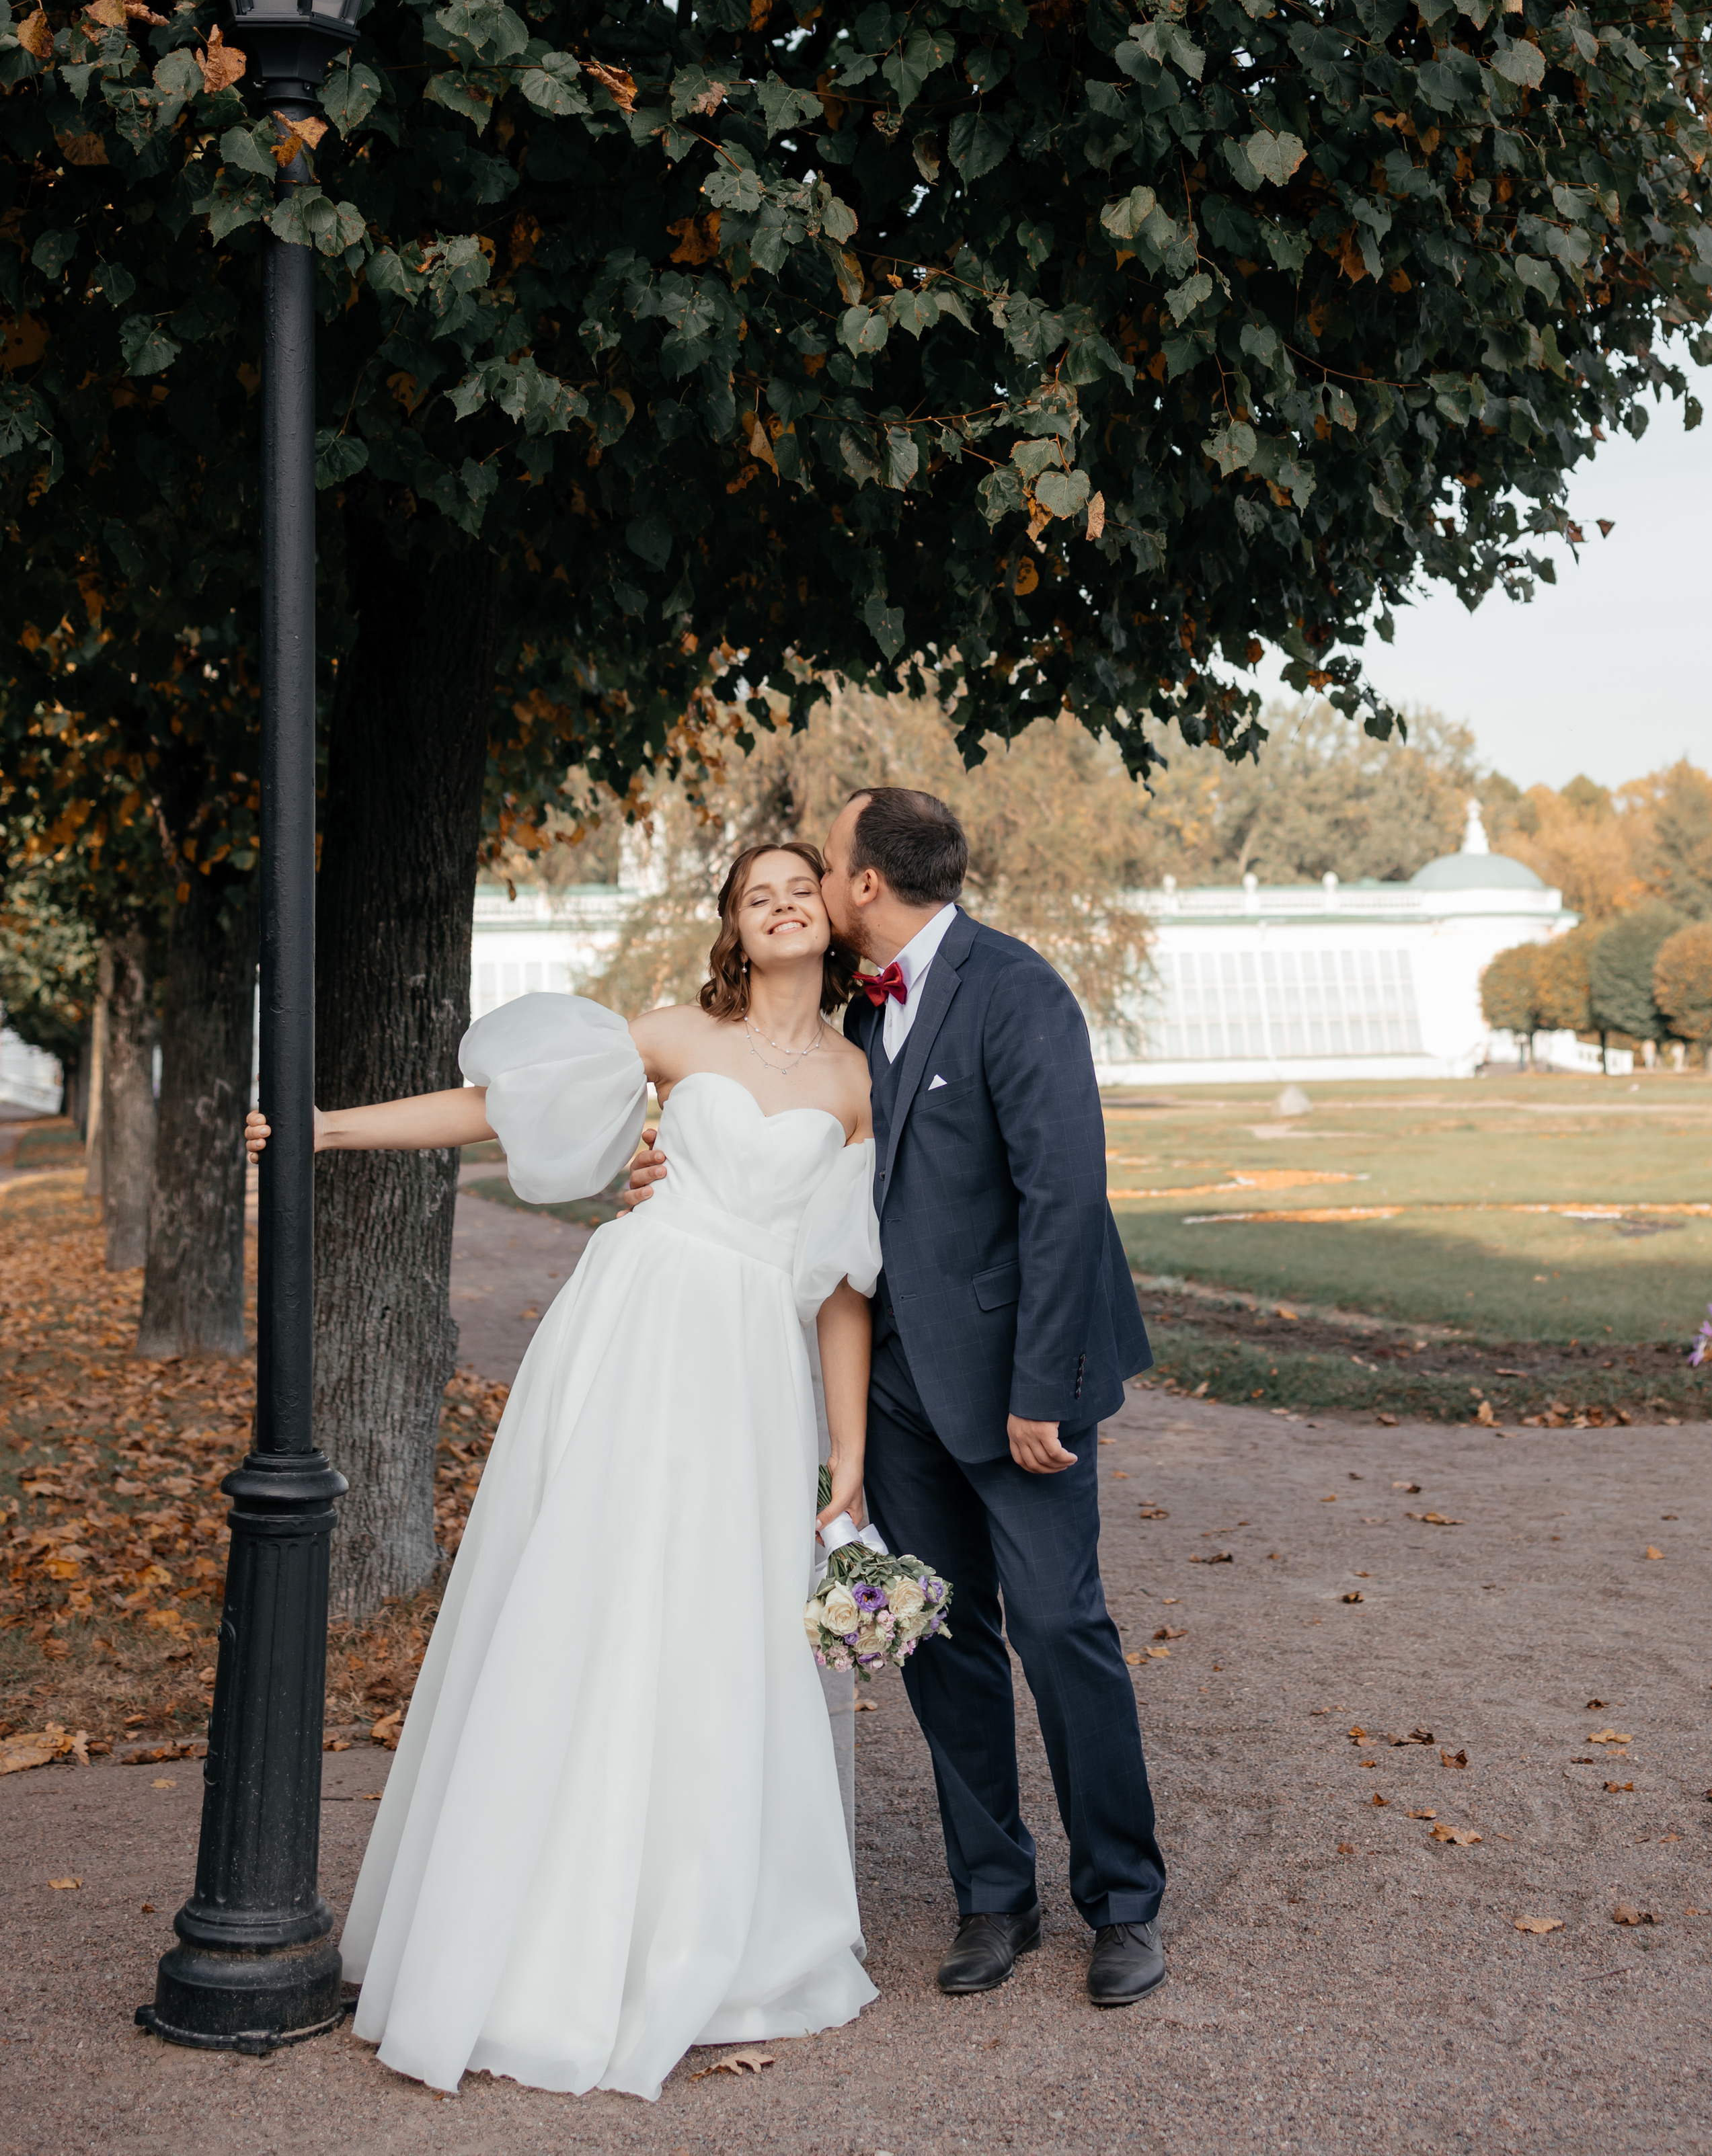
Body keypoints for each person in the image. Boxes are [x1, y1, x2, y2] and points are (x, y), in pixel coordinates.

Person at [243, 842, 880, 2100]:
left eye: (799, 888)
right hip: (636, 1326)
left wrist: (847, 1449)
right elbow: (501, 1105)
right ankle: (533, 1929)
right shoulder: (677, 1036)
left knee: (718, 1625)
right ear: (734, 929)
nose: (781, 905)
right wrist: (329, 1129)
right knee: (593, 1594)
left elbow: (846, 1280)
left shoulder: (860, 1080)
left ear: (833, 915)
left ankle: (704, 1920)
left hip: (755, 1369)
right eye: (756, 895)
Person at [627, 788, 1167, 2006]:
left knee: (1059, 1629)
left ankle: (1124, 1902)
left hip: (1020, 1389)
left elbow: (1066, 1199)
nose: (816, 884)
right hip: (900, 1385)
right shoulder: (857, 1015)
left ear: (865, 884)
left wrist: (1044, 1390)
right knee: (940, 1642)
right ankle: (994, 1897)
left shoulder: (1017, 990)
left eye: (825, 864)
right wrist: (655, 1163)